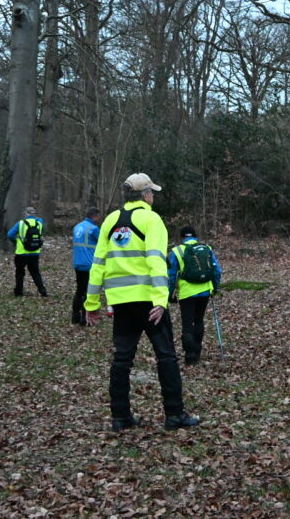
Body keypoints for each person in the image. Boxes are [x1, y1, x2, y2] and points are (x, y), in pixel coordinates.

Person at [84, 173, 199, 431]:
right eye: (152, 192)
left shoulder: (111, 221)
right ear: (145, 195)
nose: (154, 196)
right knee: (166, 357)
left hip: (121, 303)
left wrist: (91, 303)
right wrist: (161, 300)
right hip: (149, 301)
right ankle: (175, 414)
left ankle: (120, 417)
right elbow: (156, 261)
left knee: (122, 360)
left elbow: (97, 265)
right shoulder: (152, 219)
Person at [167, 226, 223, 365]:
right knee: (199, 320)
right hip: (205, 290)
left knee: (187, 324)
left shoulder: (177, 251)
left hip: (187, 292)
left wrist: (170, 294)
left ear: (182, 237)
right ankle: (197, 351)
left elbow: (171, 275)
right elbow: (217, 270)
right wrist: (215, 287)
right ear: (195, 236)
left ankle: (190, 355)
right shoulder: (207, 248)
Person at [72, 207, 106, 325]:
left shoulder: (77, 227)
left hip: (78, 263)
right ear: (95, 216)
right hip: (89, 264)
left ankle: (75, 316)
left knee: (79, 291)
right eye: (98, 216)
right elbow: (104, 242)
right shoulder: (94, 229)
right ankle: (84, 319)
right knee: (88, 292)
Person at [7, 206, 48, 298]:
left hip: (21, 253)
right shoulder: (39, 223)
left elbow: (10, 235)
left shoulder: (21, 223)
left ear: (26, 214)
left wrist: (16, 242)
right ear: (34, 215)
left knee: (20, 272)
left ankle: (18, 292)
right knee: (35, 272)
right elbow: (40, 220)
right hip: (35, 252)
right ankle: (42, 290)